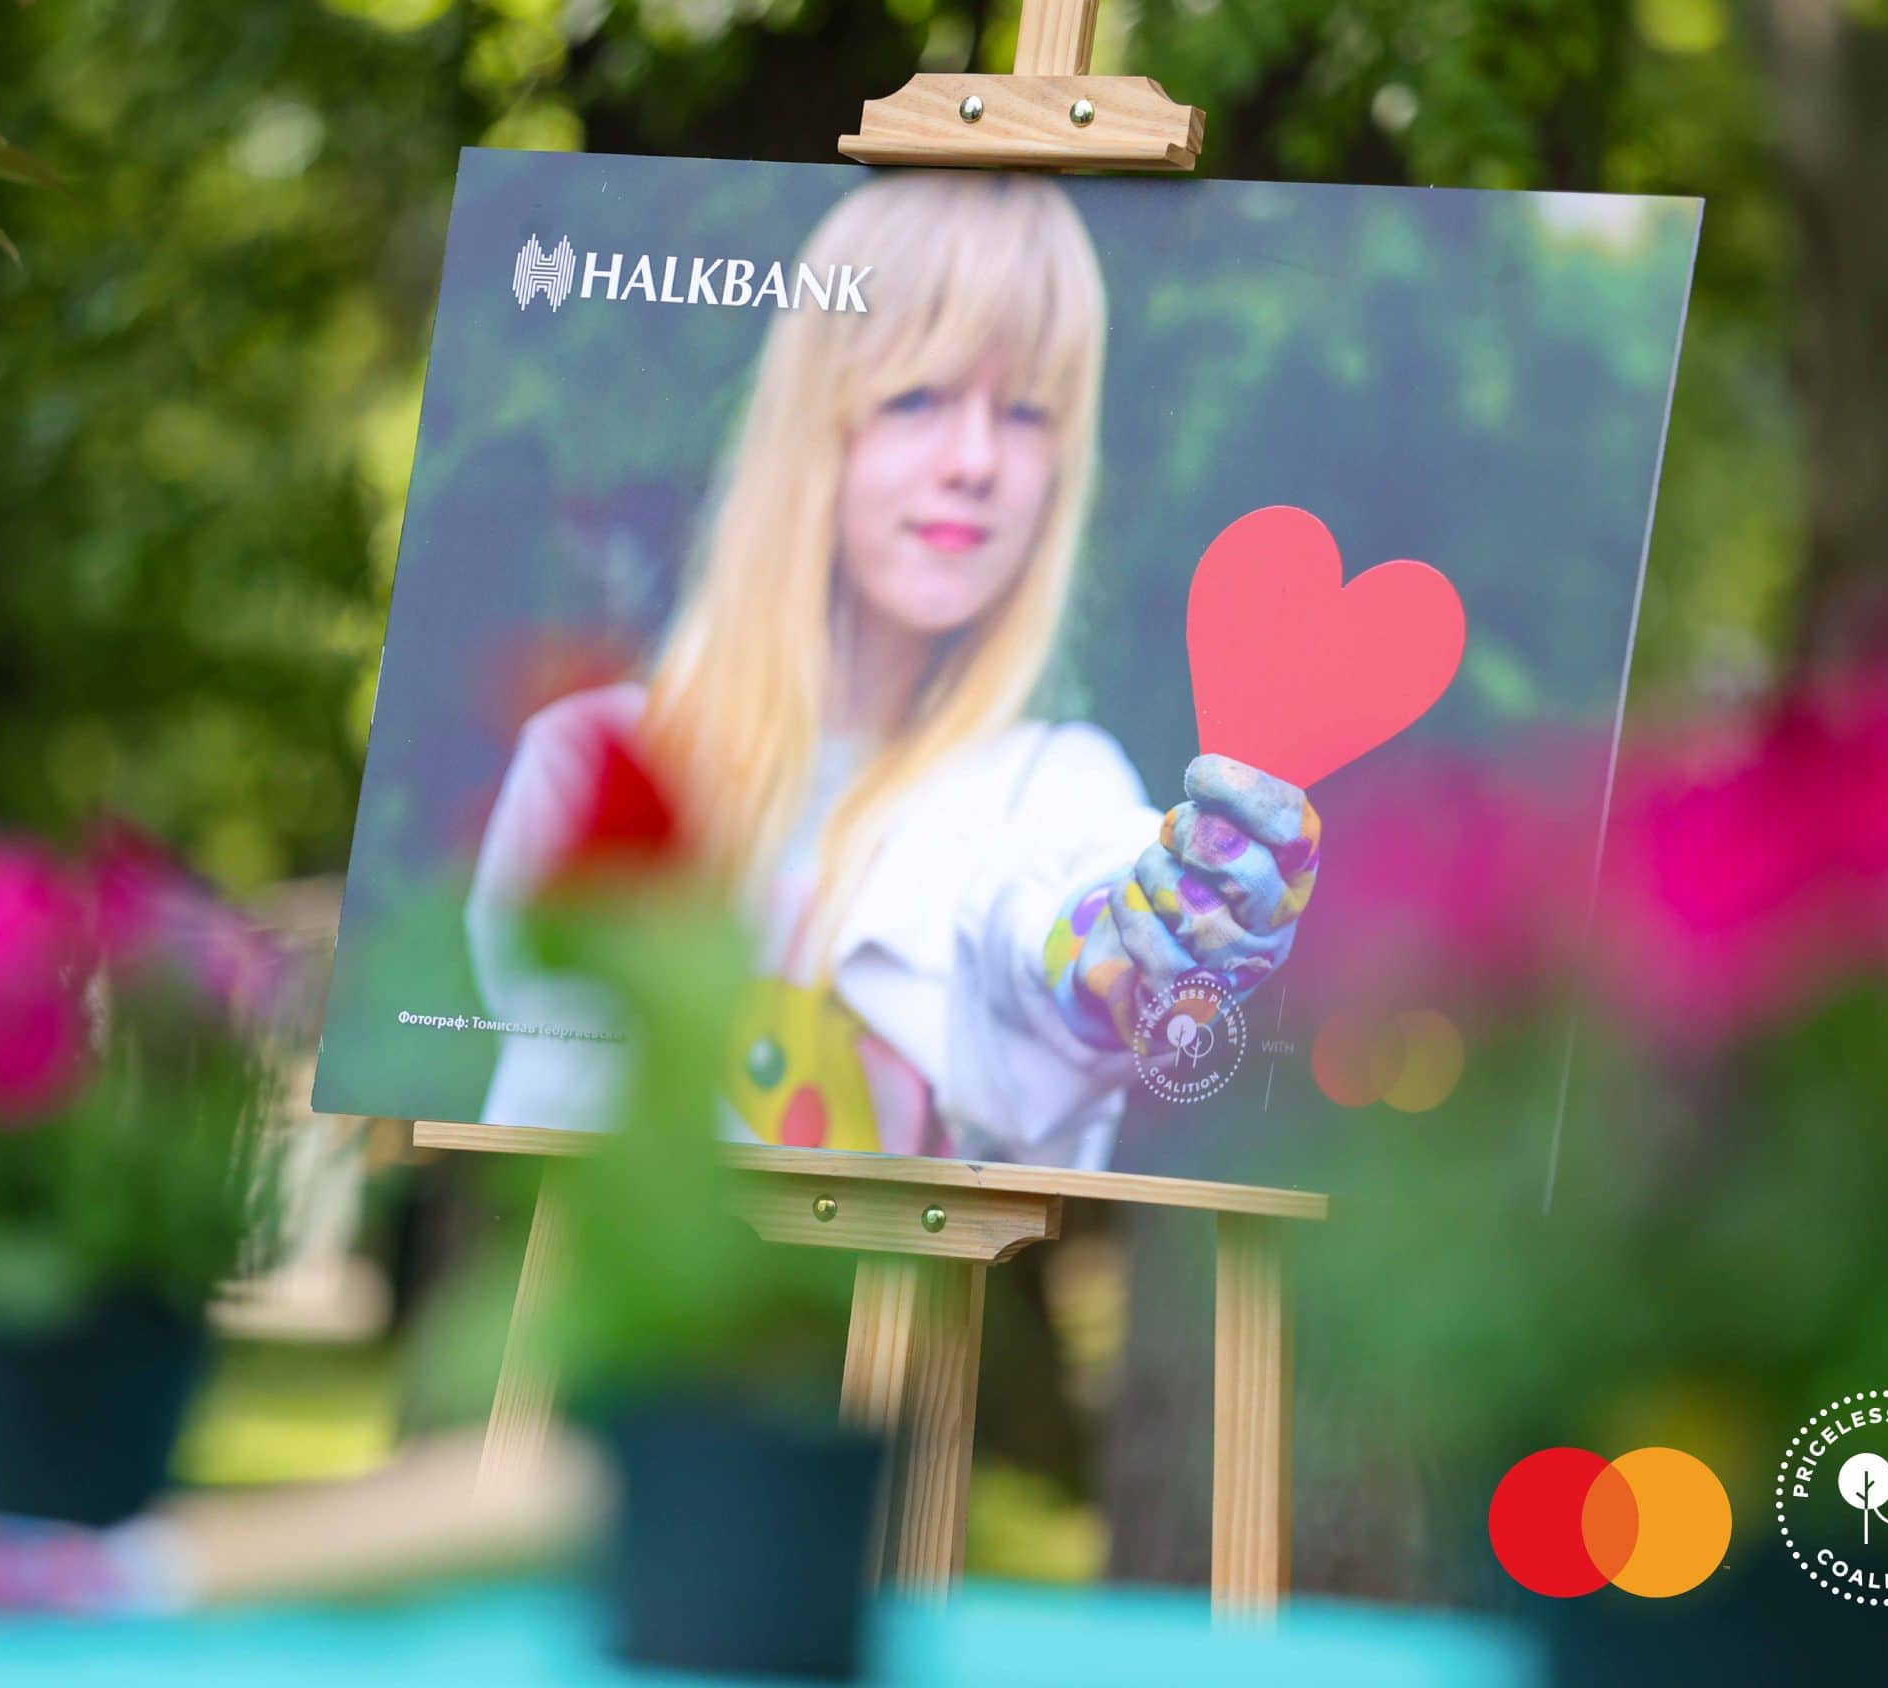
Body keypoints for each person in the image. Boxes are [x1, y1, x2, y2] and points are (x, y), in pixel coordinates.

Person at [464, 173, 1320, 1171]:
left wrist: (1137, 932)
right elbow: (532, 1133)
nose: (975, 460)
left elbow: (1060, 919)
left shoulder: (1052, 786)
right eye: (917, 396)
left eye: (1027, 411)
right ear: (811, 422)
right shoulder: (591, 763)